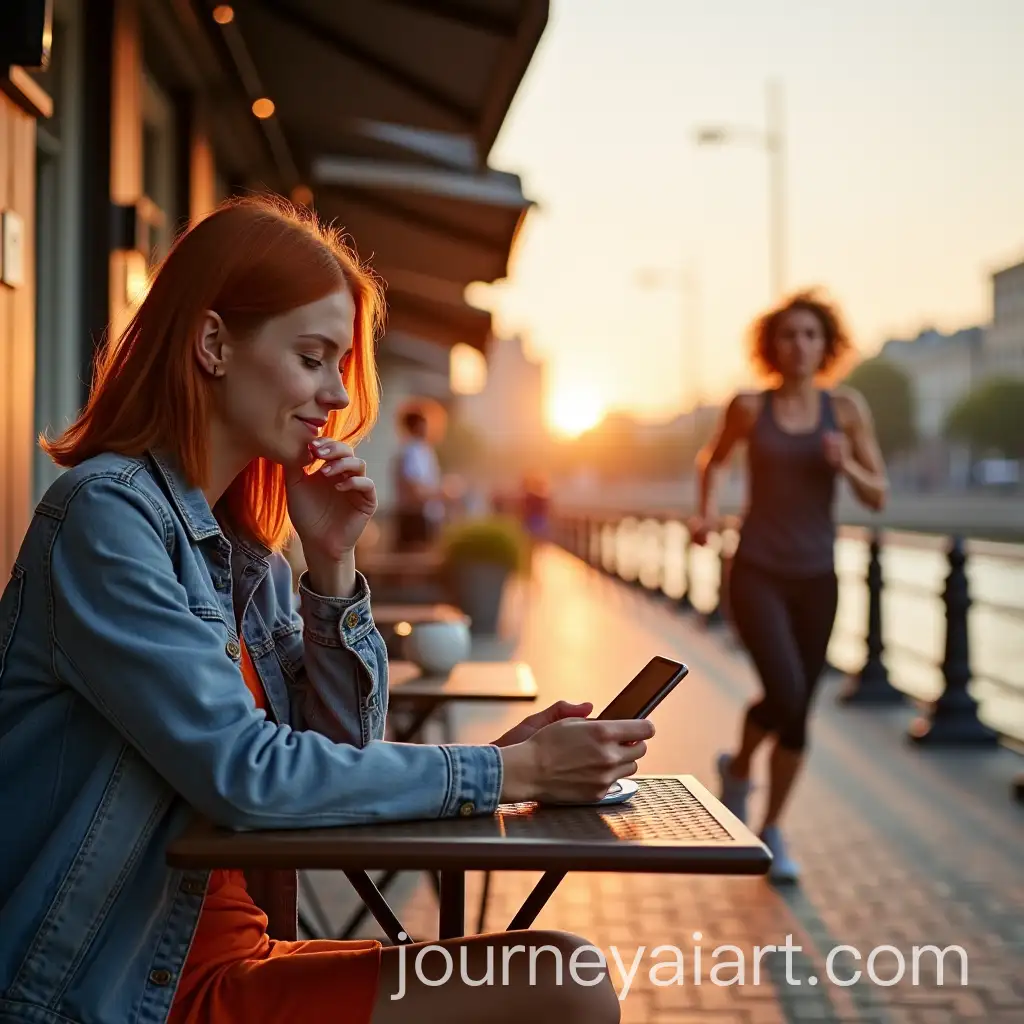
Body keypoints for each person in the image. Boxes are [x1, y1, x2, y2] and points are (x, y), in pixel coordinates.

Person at [0, 196, 653, 1024]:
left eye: (340, 365)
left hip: (227, 957)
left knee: (562, 976)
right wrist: (512, 774)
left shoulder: (247, 552)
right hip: (115, 989)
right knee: (564, 984)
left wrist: (333, 564)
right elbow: (247, 775)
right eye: (313, 358)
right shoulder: (106, 518)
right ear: (212, 344)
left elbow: (333, 761)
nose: (337, 396)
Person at [691, 289, 887, 884]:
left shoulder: (847, 410)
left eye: (810, 335)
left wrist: (844, 464)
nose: (799, 345)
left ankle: (766, 815)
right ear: (771, 347)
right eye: (788, 335)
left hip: (817, 577)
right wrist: (704, 513)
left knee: (797, 710)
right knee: (784, 689)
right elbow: (713, 462)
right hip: (756, 571)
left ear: (826, 346)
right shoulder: (750, 407)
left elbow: (878, 494)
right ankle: (744, 773)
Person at [392, 408, 444, 551]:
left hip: (425, 514)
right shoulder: (411, 451)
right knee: (414, 560)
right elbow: (414, 488)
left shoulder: (424, 450)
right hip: (415, 516)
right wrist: (441, 493)